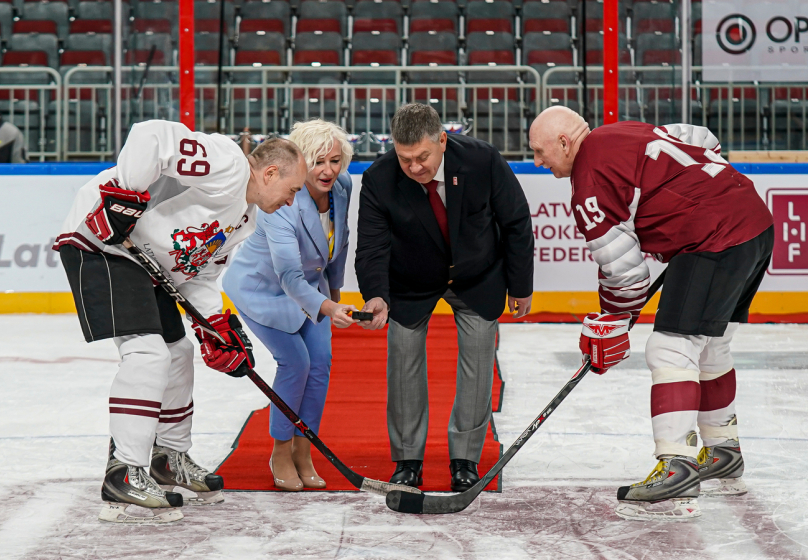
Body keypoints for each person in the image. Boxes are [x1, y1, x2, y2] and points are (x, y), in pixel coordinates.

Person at [53, 120, 307, 523]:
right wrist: (125, 194)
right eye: (293, 190)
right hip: (100, 243)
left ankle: (166, 458)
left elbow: (197, 274)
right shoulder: (228, 163)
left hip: (143, 263)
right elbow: (149, 135)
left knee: (178, 351)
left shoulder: (246, 220)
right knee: (147, 353)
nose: (292, 201)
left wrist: (216, 325)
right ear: (271, 173)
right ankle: (124, 470)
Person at [529, 106, 774, 521]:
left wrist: (613, 323)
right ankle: (723, 450)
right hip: (753, 220)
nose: (538, 162)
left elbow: (625, 276)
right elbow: (702, 137)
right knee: (712, 347)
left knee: (669, 349)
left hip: (713, 238)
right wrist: (704, 190)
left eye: (540, 151)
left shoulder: (589, 181)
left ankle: (677, 464)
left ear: (565, 143)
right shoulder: (627, 130)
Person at [355, 103, 535, 491]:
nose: (415, 167)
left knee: (477, 362)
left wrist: (520, 286)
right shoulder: (379, 178)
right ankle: (407, 461)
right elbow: (371, 247)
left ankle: (464, 459)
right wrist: (376, 296)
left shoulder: (482, 160)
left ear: (442, 140)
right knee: (403, 361)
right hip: (411, 279)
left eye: (422, 157)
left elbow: (516, 222)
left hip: (477, 276)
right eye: (405, 159)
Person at [223, 119, 358, 491]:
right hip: (263, 292)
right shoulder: (281, 202)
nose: (328, 170)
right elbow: (288, 276)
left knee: (320, 366)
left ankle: (305, 449)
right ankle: (280, 450)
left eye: (334, 160)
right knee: (296, 363)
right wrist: (328, 310)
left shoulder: (342, 187)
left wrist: (334, 295)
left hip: (312, 291)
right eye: (317, 162)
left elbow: (337, 247)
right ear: (300, 162)